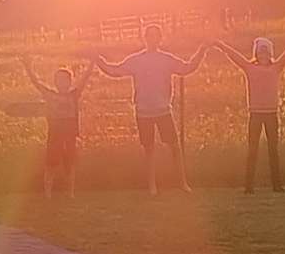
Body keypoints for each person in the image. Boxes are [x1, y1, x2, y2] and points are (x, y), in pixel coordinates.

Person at [90, 24, 217, 192]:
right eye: (149, 36)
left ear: (160, 38)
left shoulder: (166, 59)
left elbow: (187, 68)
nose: (152, 39)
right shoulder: (136, 60)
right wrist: (98, 60)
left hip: (163, 110)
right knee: (149, 149)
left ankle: (183, 183)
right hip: (143, 111)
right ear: (145, 38)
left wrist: (202, 51)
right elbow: (115, 71)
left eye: (155, 36)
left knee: (174, 146)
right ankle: (152, 186)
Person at [214, 33, 285, 192]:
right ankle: (248, 186)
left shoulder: (276, 66)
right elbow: (234, 56)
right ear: (256, 54)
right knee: (252, 150)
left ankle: (277, 186)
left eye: (266, 52)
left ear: (270, 53)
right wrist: (221, 45)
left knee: (273, 150)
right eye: (260, 52)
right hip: (256, 114)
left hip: (271, 114)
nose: (263, 55)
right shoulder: (249, 67)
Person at [15, 56, 89, 196]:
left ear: (70, 82)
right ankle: (47, 193)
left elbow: (84, 80)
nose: (62, 84)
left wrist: (92, 64)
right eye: (60, 81)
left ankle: (71, 192)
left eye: (65, 81)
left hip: (70, 134)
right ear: (55, 82)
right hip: (55, 134)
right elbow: (36, 83)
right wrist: (28, 67)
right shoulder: (50, 95)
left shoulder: (74, 95)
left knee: (70, 164)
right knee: (50, 164)